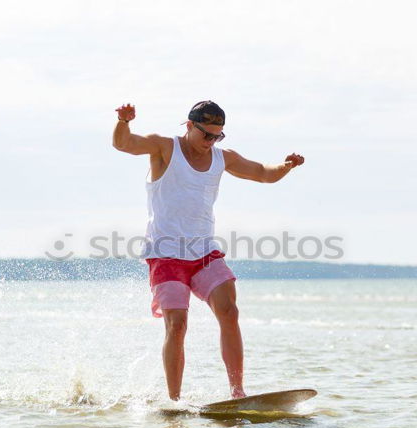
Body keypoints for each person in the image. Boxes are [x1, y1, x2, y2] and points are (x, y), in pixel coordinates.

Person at [112, 100, 304, 401]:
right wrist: (123, 122)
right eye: (207, 135)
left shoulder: (221, 158)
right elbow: (124, 144)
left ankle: (238, 393)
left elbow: (263, 173)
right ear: (189, 126)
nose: (211, 142)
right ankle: (174, 401)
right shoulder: (165, 148)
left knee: (229, 311)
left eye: (218, 136)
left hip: (204, 252)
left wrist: (287, 166)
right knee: (177, 325)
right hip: (166, 254)